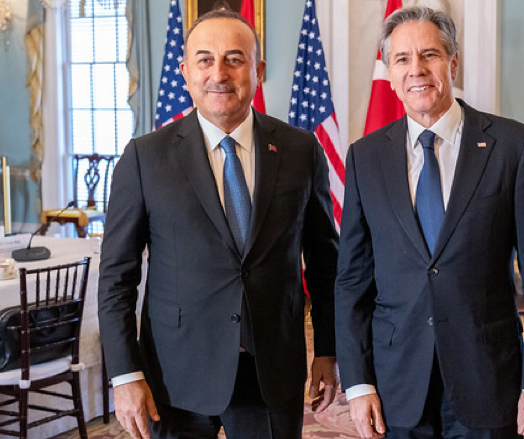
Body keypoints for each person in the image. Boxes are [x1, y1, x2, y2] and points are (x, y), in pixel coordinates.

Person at [98, 9, 339, 439]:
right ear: (185, 72)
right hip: (174, 376)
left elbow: (325, 266)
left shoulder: (302, 151)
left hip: (269, 370)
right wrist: (125, 375)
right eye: (205, 60)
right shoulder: (144, 158)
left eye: (234, 59)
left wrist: (328, 349)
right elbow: (117, 278)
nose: (218, 74)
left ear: (258, 71)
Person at [335, 6, 524, 439]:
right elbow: (352, 280)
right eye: (402, 59)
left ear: (453, 62)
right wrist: (359, 381)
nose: (416, 70)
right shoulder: (365, 157)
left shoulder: (513, 146)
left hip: (489, 375)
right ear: (387, 70)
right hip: (396, 380)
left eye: (430, 55)